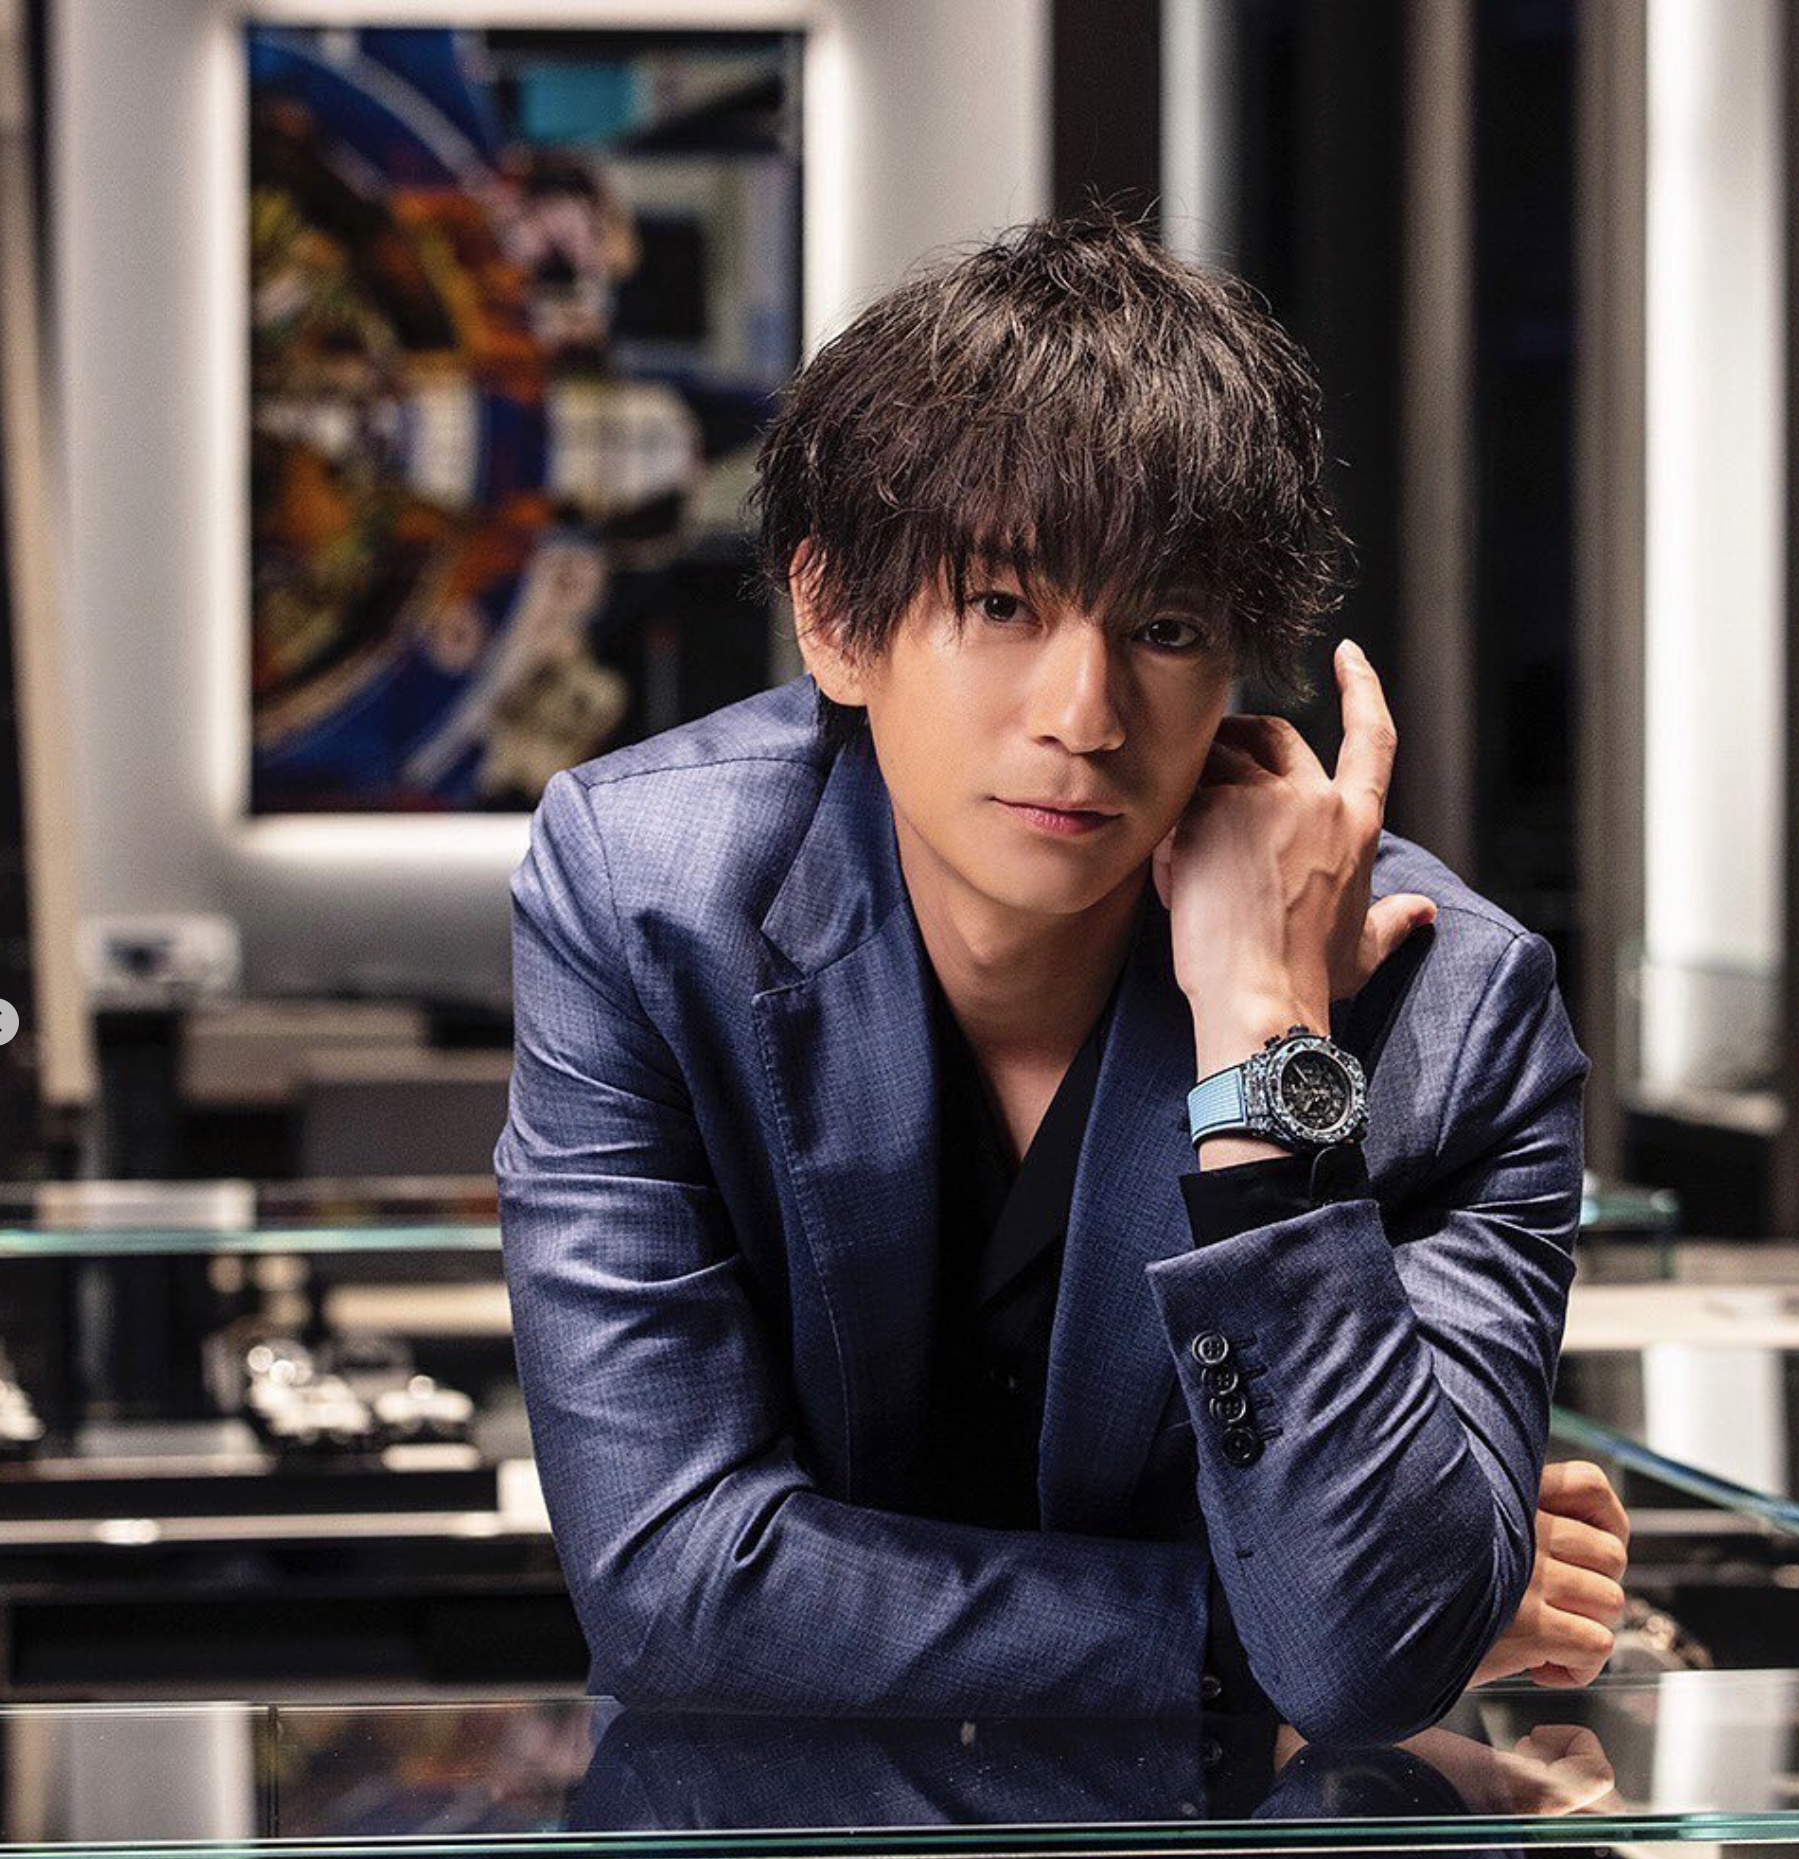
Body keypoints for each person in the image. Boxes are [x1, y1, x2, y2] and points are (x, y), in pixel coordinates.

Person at [494, 209, 1628, 1747]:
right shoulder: (648, 894)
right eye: (1001, 606)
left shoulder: (1451, 1009)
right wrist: (1241, 1635)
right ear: (833, 620)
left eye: (1162, 627)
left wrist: (1264, 1044)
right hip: (757, 1851)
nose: (1083, 715)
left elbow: (1367, 1662)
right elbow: (677, 1585)